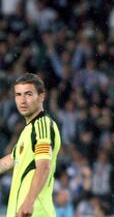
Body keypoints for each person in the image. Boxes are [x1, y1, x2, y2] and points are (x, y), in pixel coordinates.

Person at [0, 73, 61, 217]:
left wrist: (29, 201)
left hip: (35, 212)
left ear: (41, 96)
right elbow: (11, 160)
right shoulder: (28, 130)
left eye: (28, 94)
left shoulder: (43, 126)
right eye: (18, 95)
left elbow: (44, 165)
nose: (22, 100)